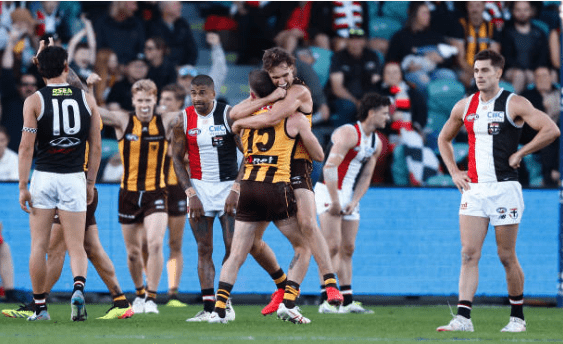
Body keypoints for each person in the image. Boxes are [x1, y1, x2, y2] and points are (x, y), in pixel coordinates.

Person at [436, 49, 559, 333]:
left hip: (504, 188)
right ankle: (463, 318)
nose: (479, 76)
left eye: (485, 71)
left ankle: (517, 318)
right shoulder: (465, 105)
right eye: (476, 71)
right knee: (468, 254)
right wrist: (455, 171)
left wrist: (522, 153)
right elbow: (443, 138)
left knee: (506, 256)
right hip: (474, 189)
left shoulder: (513, 103)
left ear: (498, 73)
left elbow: (550, 129)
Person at [229, 47, 344, 315]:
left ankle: (330, 285)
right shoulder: (271, 92)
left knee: (307, 223)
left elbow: (271, 117)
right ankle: (282, 286)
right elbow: (234, 112)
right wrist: (253, 108)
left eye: (285, 75)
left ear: (292, 69)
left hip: (298, 164)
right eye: (275, 76)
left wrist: (240, 124)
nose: (282, 81)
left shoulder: (299, 92)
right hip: (268, 166)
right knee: (253, 242)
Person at [207, 69, 324, 324]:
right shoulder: (291, 117)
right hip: (276, 187)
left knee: (237, 252)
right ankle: (289, 302)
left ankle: (219, 309)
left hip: (248, 187)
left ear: (252, 95)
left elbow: (233, 120)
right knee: (303, 246)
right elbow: (318, 155)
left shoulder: (246, 116)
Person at [170, 75, 288, 322]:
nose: (197, 98)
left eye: (202, 93)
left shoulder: (229, 115)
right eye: (193, 93)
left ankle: (226, 303)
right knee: (204, 248)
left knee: (232, 246)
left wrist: (236, 188)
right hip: (200, 189)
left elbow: (250, 153)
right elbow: (177, 160)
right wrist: (190, 193)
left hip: (228, 189)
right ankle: (208, 307)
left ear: (213, 93)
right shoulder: (183, 120)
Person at [18, 39, 102, 321]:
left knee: (39, 246)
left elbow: (26, 148)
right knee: (76, 245)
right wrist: (90, 183)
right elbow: (97, 146)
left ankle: (40, 307)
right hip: (74, 178)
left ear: (40, 69)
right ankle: (78, 289)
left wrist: (21, 186)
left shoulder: (34, 100)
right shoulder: (86, 99)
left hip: (44, 177)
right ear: (67, 66)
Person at [97, 79, 178, 315]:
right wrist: (89, 87)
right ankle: (140, 293)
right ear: (133, 101)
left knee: (154, 243)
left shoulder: (164, 121)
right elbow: (92, 108)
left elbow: (194, 112)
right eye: (140, 100)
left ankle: (152, 298)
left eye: (148, 100)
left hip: (156, 192)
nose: (144, 105)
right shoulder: (123, 120)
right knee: (133, 253)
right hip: (129, 193)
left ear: (155, 100)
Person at [314, 93, 389, 314]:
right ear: (372, 113)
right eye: (384, 113)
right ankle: (327, 299)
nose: (387, 117)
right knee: (332, 246)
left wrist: (354, 200)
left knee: (348, 248)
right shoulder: (348, 133)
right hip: (329, 191)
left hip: (348, 195)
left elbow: (366, 176)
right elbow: (328, 168)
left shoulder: (375, 142)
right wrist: (336, 201)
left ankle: (346, 301)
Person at [156, 84, 188, 307]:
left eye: (168, 99)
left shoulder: (184, 123)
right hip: (153, 186)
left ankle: (172, 293)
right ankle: (147, 291)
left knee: (174, 242)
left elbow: (185, 155)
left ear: (179, 102)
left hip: (176, 187)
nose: (163, 103)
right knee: (150, 242)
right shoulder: (151, 123)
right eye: (162, 98)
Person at [501, 1, 550, 94]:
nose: (522, 13)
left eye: (525, 10)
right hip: (512, 70)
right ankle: (512, 106)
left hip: (533, 70)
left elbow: (543, 57)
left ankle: (540, 106)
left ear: (531, 11)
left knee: (542, 74)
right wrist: (524, 70)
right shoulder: (506, 32)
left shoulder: (539, 33)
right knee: (520, 75)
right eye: (518, 10)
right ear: (512, 11)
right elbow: (506, 57)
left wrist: (532, 70)